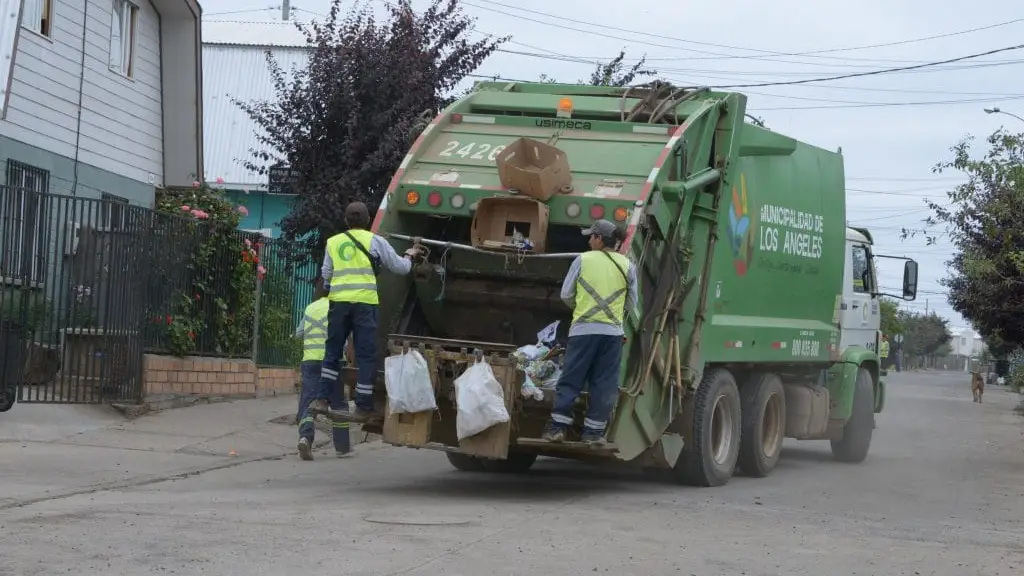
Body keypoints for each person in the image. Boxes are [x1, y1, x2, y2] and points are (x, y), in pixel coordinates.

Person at [308, 201, 422, 422]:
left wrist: (337, 290)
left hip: (339, 304)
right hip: (365, 306)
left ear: (346, 220)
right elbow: (401, 268)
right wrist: (410, 254)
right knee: (366, 355)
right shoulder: (376, 241)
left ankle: (322, 399)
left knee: (332, 352)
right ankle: (363, 406)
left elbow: (326, 276)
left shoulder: (333, 242)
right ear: (368, 220)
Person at [543, 219, 638, 444]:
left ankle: (558, 428)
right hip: (612, 335)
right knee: (604, 382)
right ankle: (593, 434)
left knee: (571, 378)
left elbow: (566, 294)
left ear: (599, 239)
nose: (588, 240)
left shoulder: (582, 259)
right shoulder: (628, 266)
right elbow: (632, 304)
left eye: (591, 236)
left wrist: (583, 308)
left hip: (583, 331)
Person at [295, 278, 351, 460]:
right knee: (338, 403)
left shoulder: (310, 308)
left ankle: (305, 438)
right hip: (333, 363)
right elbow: (348, 336)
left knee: (308, 402)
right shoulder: (339, 308)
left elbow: (298, 333)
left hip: (310, 361)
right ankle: (342, 447)